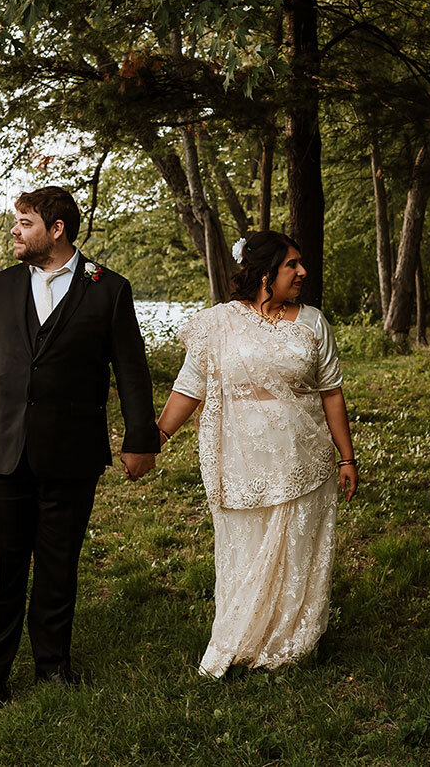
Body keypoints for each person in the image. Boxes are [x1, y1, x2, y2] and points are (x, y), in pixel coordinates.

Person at [0, 186, 160, 706]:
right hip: (1, 447)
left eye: (24, 222)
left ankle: (53, 666)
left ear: (56, 229)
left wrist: (140, 440)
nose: (14, 231)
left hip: (72, 450)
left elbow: (131, 371)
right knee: (2, 567)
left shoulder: (108, 289)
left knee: (59, 563)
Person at [155, 230, 358, 677]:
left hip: (306, 460)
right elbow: (191, 386)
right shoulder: (219, 323)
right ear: (265, 272)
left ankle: (291, 643)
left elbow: (332, 393)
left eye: (300, 264)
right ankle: (242, 638)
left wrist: (346, 457)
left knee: (297, 551)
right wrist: (156, 440)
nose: (303, 272)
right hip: (241, 461)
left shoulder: (312, 323)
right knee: (245, 548)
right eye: (292, 265)